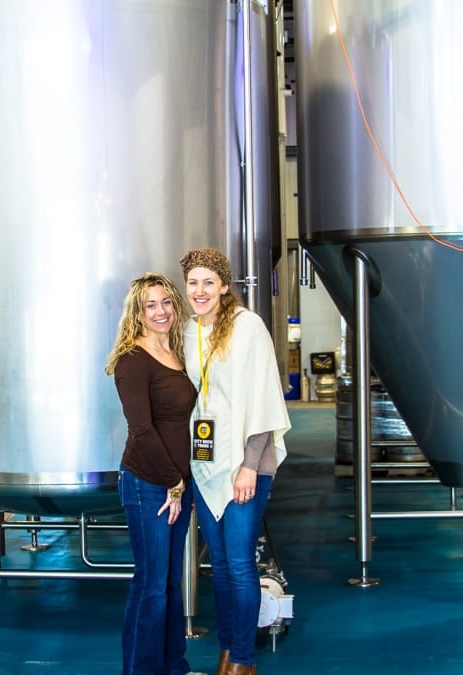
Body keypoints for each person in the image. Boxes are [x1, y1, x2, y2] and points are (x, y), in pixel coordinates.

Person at [179, 249, 290, 675]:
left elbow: (263, 398)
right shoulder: (189, 332)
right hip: (206, 465)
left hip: (246, 465)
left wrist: (248, 465)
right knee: (220, 564)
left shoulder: (247, 328)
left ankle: (243, 660)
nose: (200, 290)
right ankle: (227, 651)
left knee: (241, 563)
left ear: (225, 286)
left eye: (209, 282)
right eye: (193, 282)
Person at [106, 272, 205, 675]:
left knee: (168, 584)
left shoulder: (179, 353)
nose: (161, 311)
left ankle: (173, 667)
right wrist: (173, 481)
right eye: (151, 305)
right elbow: (141, 430)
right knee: (151, 585)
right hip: (150, 485)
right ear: (138, 312)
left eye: (166, 302)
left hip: (177, 486)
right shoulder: (133, 359)